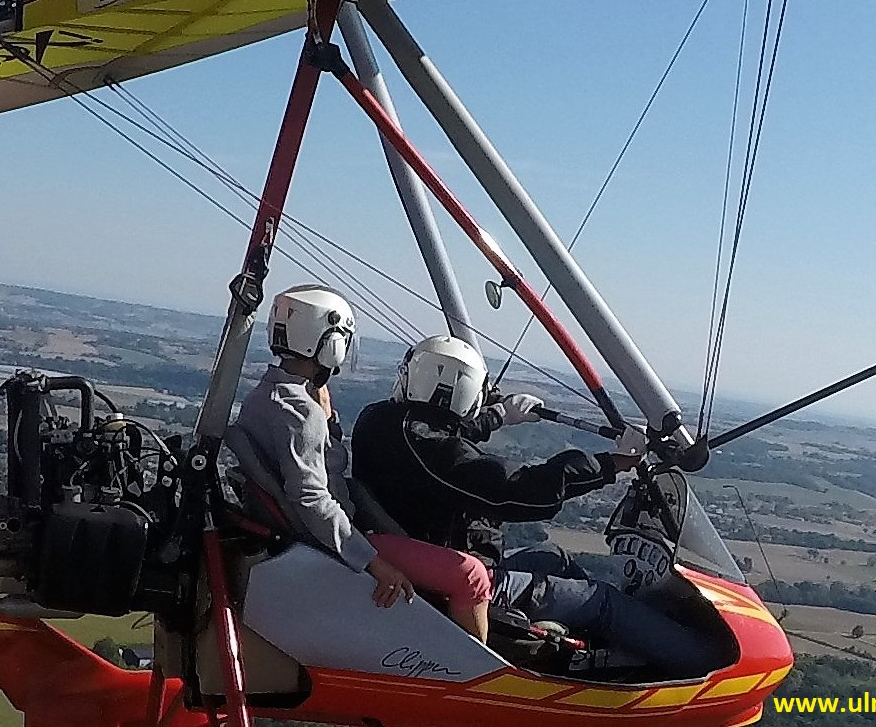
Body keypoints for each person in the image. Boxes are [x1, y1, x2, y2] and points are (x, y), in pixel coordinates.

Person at [349, 334, 722, 678]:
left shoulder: (381, 421)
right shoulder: (425, 445)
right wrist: (610, 464)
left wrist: (498, 416)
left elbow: (443, 430)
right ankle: (700, 661)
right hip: (459, 576)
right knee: (602, 601)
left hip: (429, 553)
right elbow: (514, 491)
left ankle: (612, 641)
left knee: (554, 559)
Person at [234, 286, 493, 641]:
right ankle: (479, 681)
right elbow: (312, 499)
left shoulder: (265, 395)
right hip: (333, 544)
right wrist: (373, 561)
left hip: (319, 535)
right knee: (472, 575)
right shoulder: (300, 413)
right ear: (330, 342)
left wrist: (329, 424)